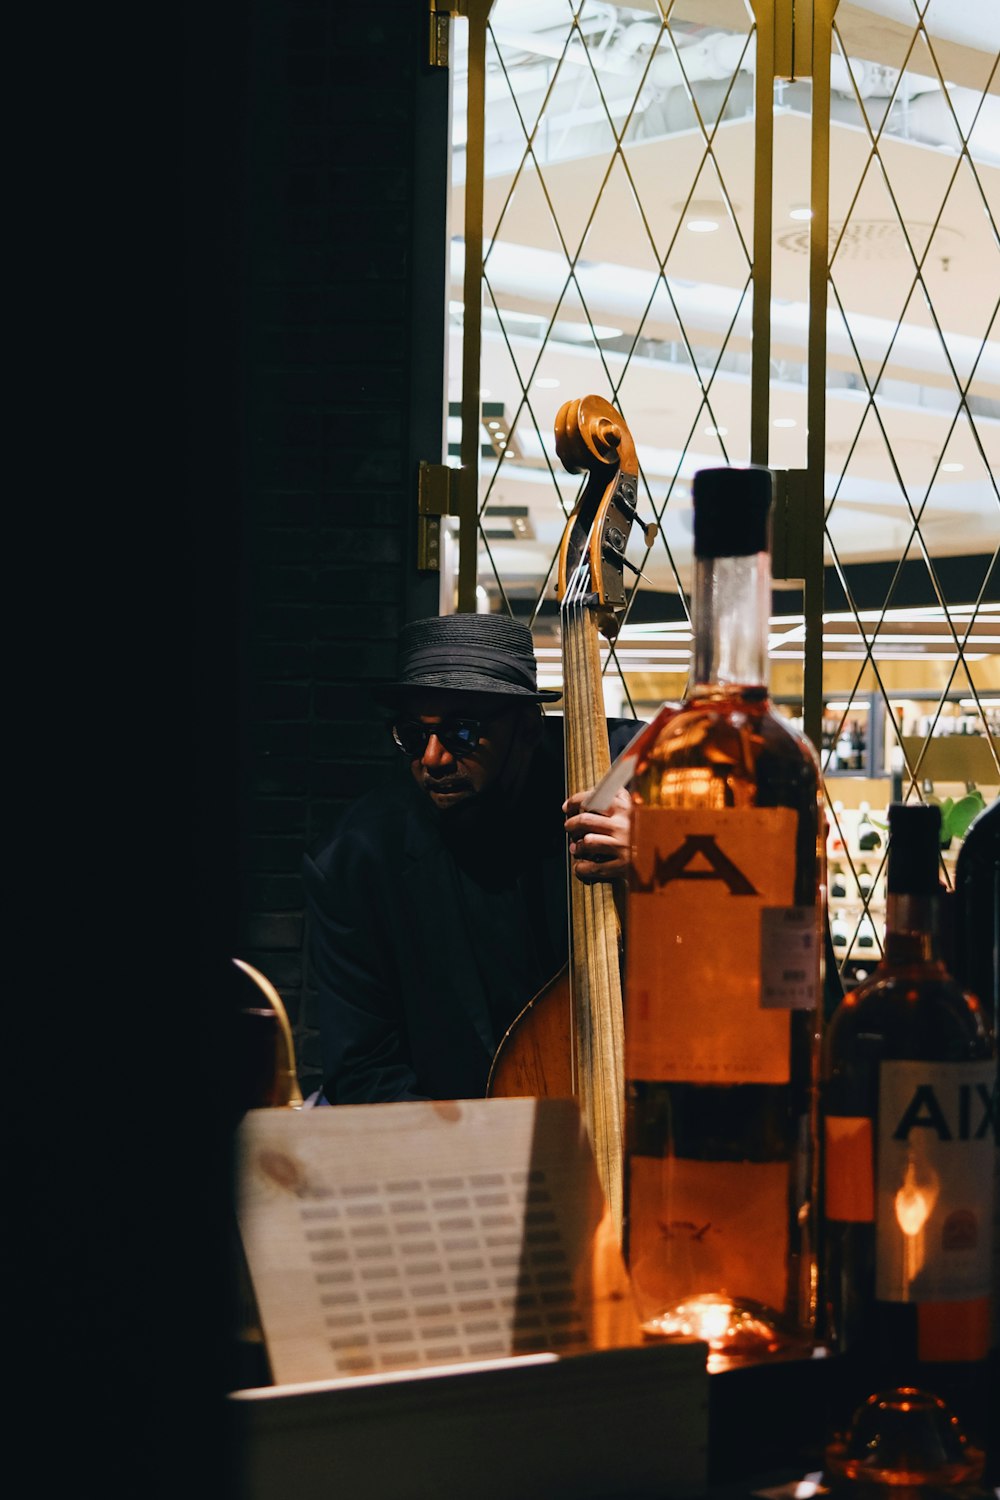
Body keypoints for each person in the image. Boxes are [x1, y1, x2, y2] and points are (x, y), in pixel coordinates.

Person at [303, 612, 640, 1103]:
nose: (434, 759)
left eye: (462, 733)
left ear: (526, 728)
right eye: (414, 736)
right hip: (450, 1139)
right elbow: (364, 1069)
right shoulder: (355, 861)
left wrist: (659, 863)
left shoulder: (623, 771)